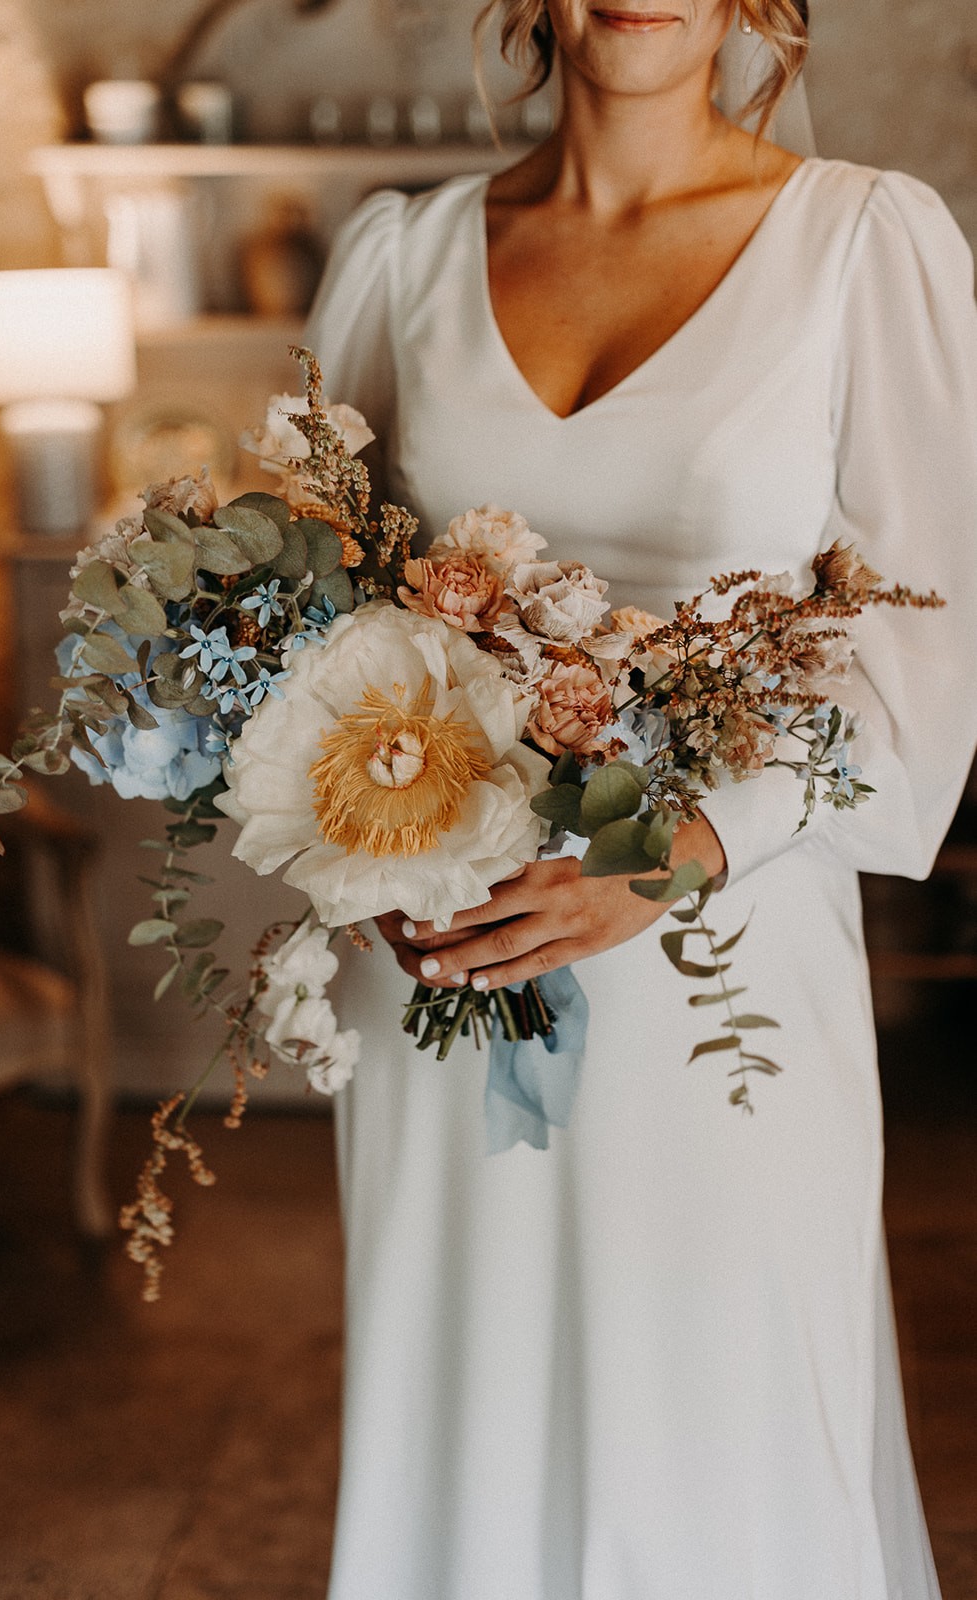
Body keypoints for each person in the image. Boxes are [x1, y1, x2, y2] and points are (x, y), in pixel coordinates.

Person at [304, 3, 977, 1595]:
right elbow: (315, 635)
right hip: (446, 963)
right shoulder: (400, 260)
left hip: (721, 972)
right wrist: (362, 856)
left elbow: (924, 669)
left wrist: (669, 857)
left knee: (722, 1423)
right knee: (457, 1417)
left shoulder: (863, 244)